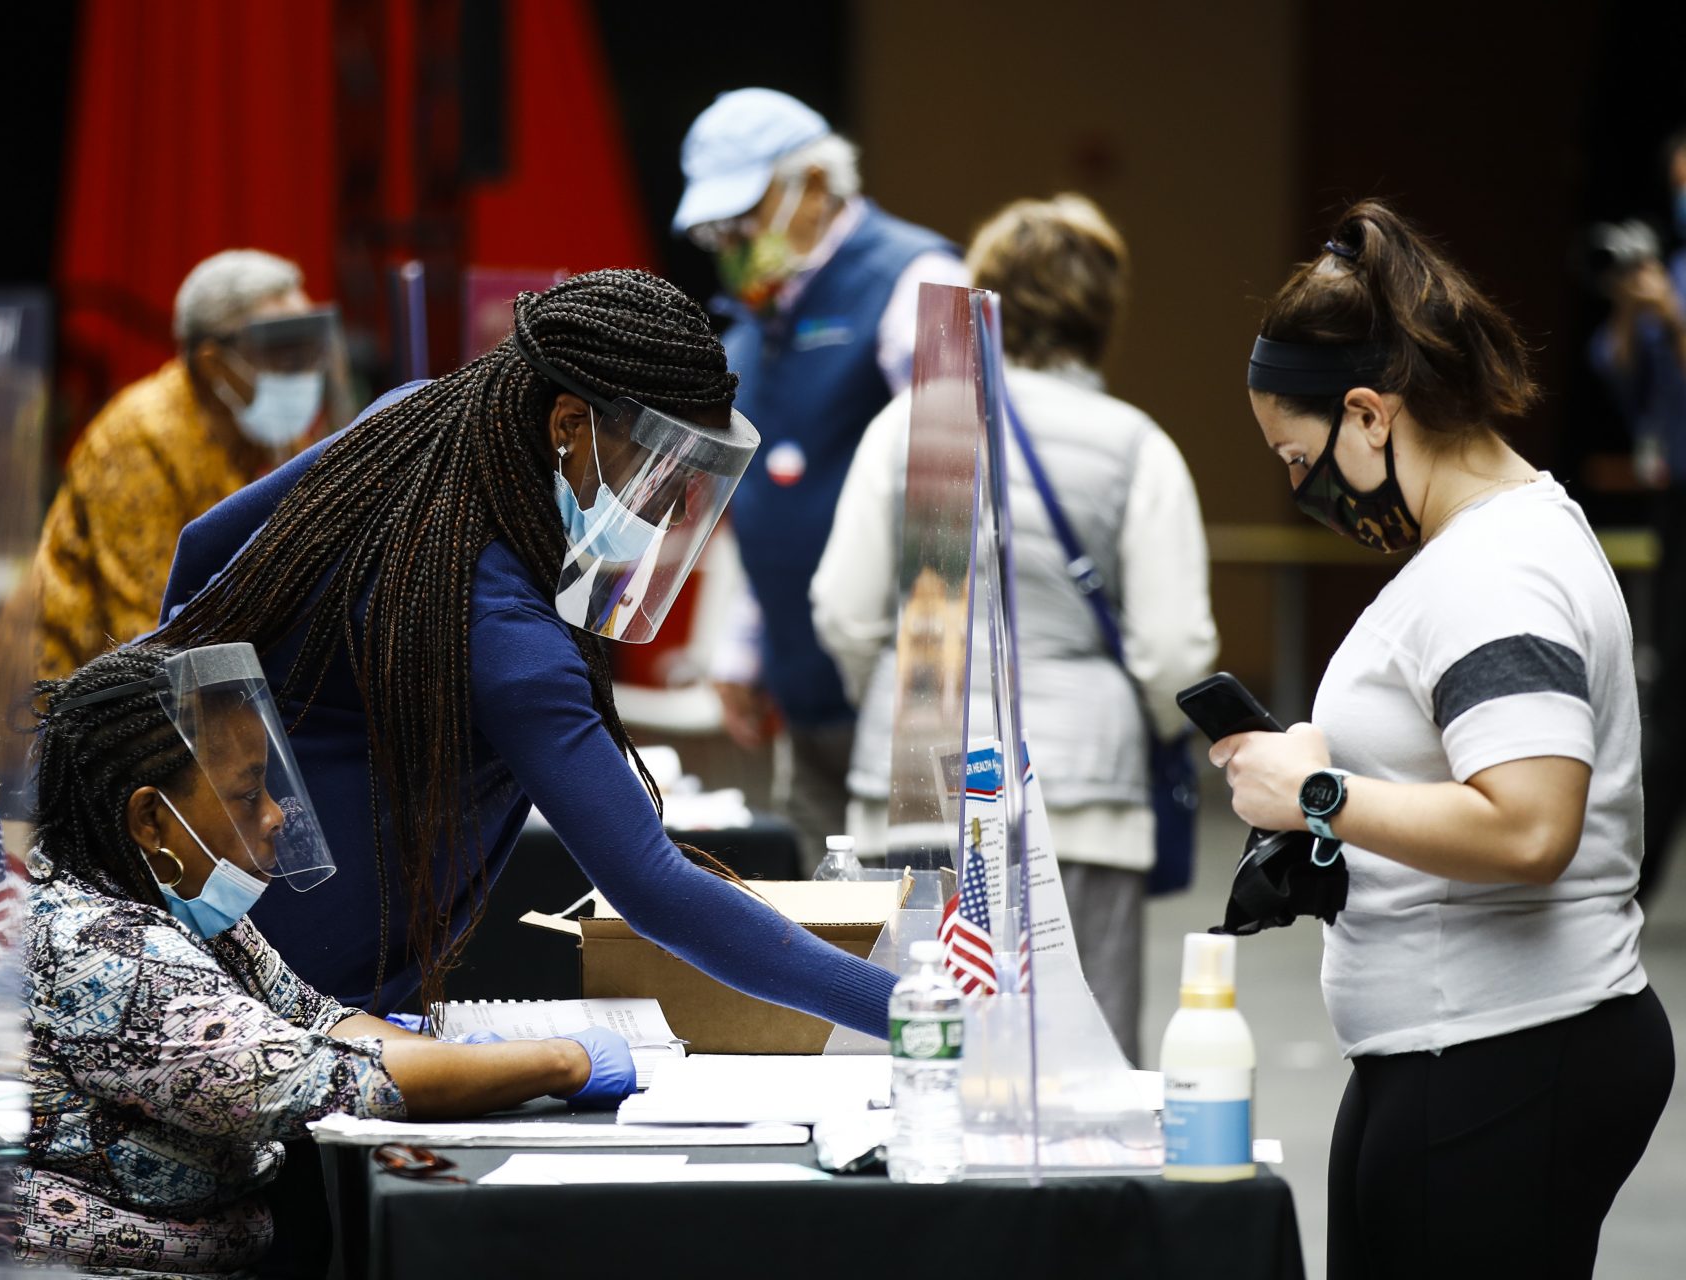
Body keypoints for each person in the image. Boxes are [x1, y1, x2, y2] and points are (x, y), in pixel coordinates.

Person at [155, 269, 902, 1038]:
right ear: (569, 426)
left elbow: (200, 565)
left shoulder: (416, 423)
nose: (680, 508)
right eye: (665, 468)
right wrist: (912, 1013)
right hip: (296, 997)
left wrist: (210, 765)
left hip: (215, 943)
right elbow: (654, 887)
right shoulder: (507, 636)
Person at [0, 643, 633, 1274]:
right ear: (152, 820)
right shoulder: (101, 947)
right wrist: (562, 1062)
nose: (275, 815)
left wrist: (448, 1056)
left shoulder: (171, 900)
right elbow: (324, 1083)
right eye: (248, 792)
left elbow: (319, 1022)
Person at [1214, 200, 1672, 1278]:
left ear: (1370, 415)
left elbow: (1530, 825)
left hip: (1503, 1044)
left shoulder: (1493, 571)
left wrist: (1321, 795)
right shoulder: (1490, 543)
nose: (1299, 487)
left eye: (1295, 455)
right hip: (1461, 1045)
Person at [811, 196, 1218, 1061]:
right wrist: (1144, 726)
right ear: (1102, 315)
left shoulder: (916, 427)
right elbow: (1176, 649)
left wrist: (889, 694)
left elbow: (844, 610)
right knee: (1081, 1059)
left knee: (916, 1042)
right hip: (1082, 799)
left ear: (982, 296)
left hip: (921, 781)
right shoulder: (1135, 444)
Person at [673, 88, 969, 868]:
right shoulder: (752, 321)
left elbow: (958, 490)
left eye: (744, 210)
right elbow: (765, 502)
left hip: (907, 698)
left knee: (912, 935)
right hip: (804, 695)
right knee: (820, 932)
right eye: (716, 223)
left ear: (815, 183)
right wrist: (745, 647)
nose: (730, 238)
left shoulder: (917, 278)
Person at [30, 249, 339, 681]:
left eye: (307, 351)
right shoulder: (137, 439)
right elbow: (150, 634)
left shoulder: (272, 433)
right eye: (281, 355)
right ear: (214, 363)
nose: (301, 372)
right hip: (83, 706)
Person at [1589, 126, 1686, 901]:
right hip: (1676, 499)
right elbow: (1625, 387)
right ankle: (1633, 879)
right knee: (1672, 692)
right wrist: (1633, 310)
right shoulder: (1668, 273)